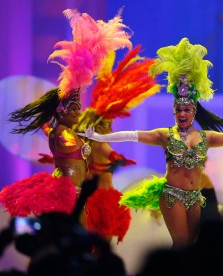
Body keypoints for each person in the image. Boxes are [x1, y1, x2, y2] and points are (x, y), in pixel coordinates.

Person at [80, 38, 223, 248]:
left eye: (187, 110)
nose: (182, 113)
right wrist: (100, 137)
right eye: (179, 110)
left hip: (195, 197)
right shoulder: (163, 135)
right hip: (172, 195)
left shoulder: (206, 138)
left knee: (191, 247)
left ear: (194, 112)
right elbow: (133, 135)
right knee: (181, 244)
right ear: (174, 111)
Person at [0, 9, 131, 219]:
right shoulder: (62, 134)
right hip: (67, 196)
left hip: (74, 195)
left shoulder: (63, 131)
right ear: (62, 110)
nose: (78, 112)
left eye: (78, 107)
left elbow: (48, 127)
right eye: (74, 108)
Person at [72, 45, 160, 242]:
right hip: (101, 197)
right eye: (107, 124)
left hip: (84, 196)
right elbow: (111, 153)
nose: (110, 127)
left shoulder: (84, 144)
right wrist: (120, 160)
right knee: (100, 240)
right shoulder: (99, 144)